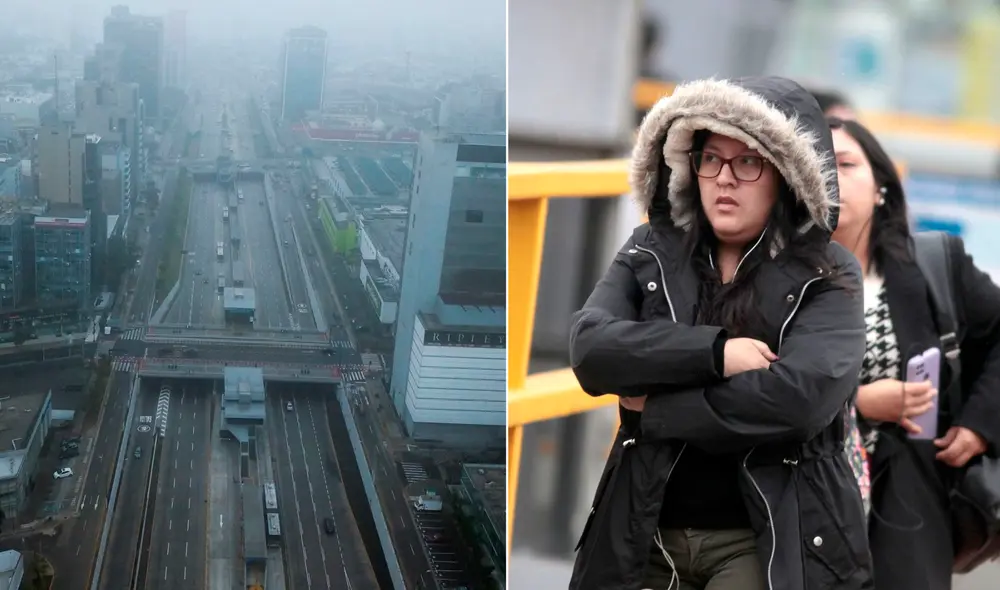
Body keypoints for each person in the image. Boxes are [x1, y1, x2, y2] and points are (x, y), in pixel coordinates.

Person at [568, 76, 873, 590]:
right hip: (643, 527)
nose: (724, 179)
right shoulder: (651, 250)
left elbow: (798, 399)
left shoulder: (829, 271)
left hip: (766, 537)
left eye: (748, 162)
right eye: (711, 159)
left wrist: (660, 408)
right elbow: (592, 348)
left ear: (785, 174)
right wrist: (716, 353)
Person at [829, 116, 1000, 589]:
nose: (830, 176)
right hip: (802, 503)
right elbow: (754, 391)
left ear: (881, 185)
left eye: (845, 163)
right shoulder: (772, 281)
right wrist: (859, 404)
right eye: (816, 165)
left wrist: (981, 424)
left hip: (909, 504)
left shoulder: (933, 265)